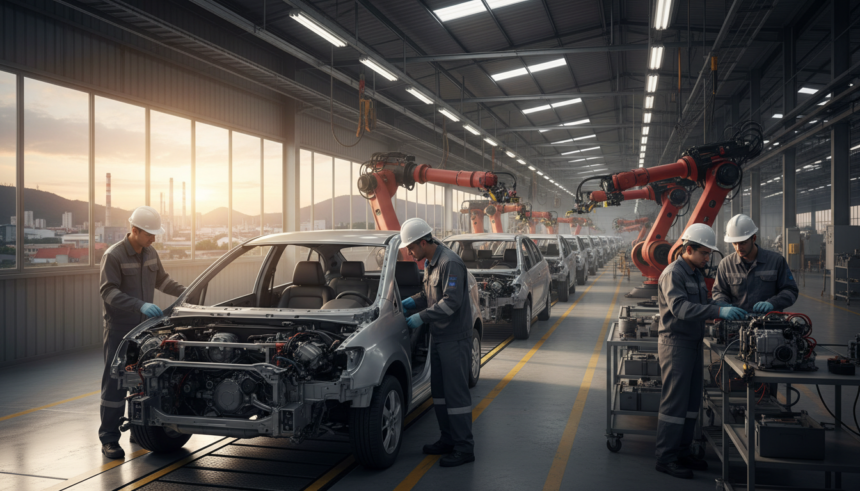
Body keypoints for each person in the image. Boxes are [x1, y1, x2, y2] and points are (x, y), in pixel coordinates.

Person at [655, 224, 747, 479]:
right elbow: (681, 309)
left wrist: (721, 306)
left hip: (694, 343)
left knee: (691, 402)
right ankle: (666, 457)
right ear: (688, 249)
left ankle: (682, 451)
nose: (708, 259)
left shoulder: (695, 273)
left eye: (709, 254)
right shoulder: (674, 274)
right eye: (704, 253)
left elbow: (702, 303)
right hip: (676, 345)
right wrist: (718, 312)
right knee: (674, 404)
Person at [98, 206, 186, 459]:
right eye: (149, 233)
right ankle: (109, 439)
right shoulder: (113, 256)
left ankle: (138, 429)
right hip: (120, 330)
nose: (153, 238)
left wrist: (186, 292)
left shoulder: (150, 252)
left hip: (144, 330)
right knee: (115, 383)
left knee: (143, 378)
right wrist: (140, 305)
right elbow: (108, 291)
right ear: (134, 230)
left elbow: (162, 280)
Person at [399, 218, 475, 468]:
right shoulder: (431, 262)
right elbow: (430, 294)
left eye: (411, 247)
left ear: (423, 242)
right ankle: (448, 439)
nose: (409, 252)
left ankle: (464, 448)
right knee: (440, 394)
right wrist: (410, 302)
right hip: (440, 338)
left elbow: (450, 303)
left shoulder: (450, 262)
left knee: (456, 395)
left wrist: (420, 318)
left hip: (454, 339)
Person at [712, 214, 798, 313]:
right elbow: (719, 292)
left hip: (768, 322)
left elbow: (791, 291)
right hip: (738, 323)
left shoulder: (776, 261)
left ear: (753, 238)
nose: (738, 248)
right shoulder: (726, 264)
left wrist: (773, 303)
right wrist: (724, 307)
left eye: (743, 243)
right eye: (734, 243)